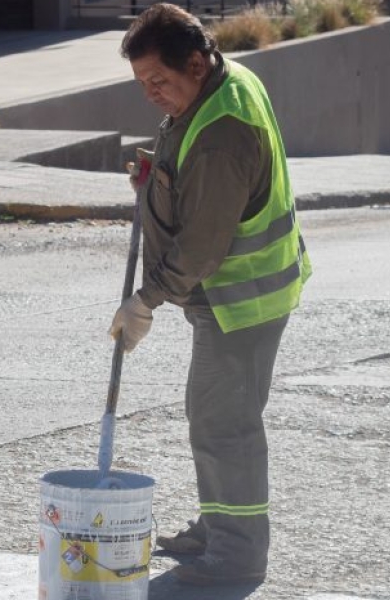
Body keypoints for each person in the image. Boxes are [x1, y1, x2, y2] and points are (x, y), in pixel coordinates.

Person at [107, 3, 312, 586]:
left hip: (241, 301)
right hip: (233, 297)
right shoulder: (221, 82)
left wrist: (145, 300)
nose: (150, 94)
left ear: (195, 62)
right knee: (213, 415)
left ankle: (237, 552)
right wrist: (159, 175)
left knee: (226, 426)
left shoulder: (223, 131)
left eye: (158, 81)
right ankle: (219, 524)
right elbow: (192, 169)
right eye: (142, 82)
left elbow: (201, 247)